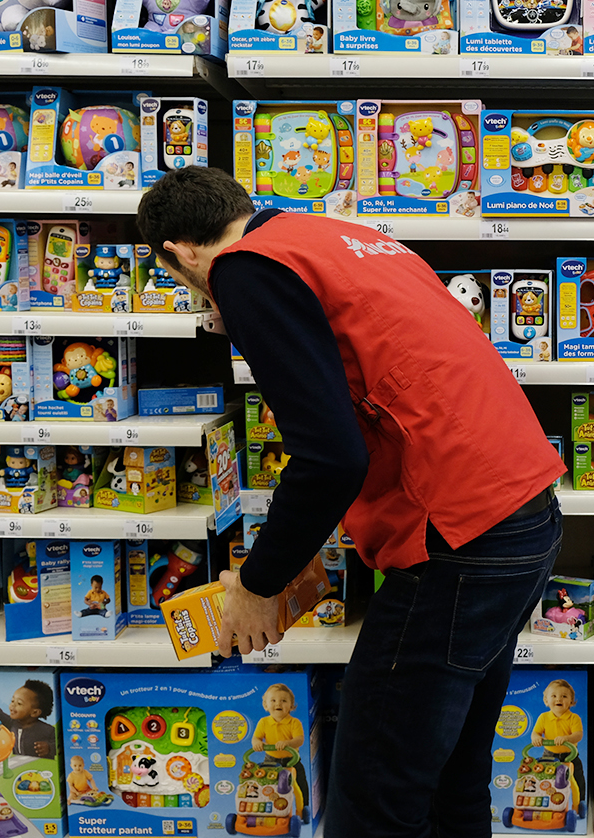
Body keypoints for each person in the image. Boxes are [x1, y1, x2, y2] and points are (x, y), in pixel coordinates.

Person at [136, 166, 565, 837]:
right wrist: (307, 552)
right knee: (451, 777)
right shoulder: (333, 237)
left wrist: (259, 581)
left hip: (456, 538)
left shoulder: (244, 268)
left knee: (372, 800)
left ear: (178, 254)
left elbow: (331, 456)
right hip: (521, 513)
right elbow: (377, 408)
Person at [0, 680, 55, 758]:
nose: (12, 706)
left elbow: (60, 746)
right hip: (17, 766)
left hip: (39, 767)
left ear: (35, 712)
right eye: (12, 701)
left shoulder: (48, 730)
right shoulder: (11, 723)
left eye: (19, 703)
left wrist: (49, 748)